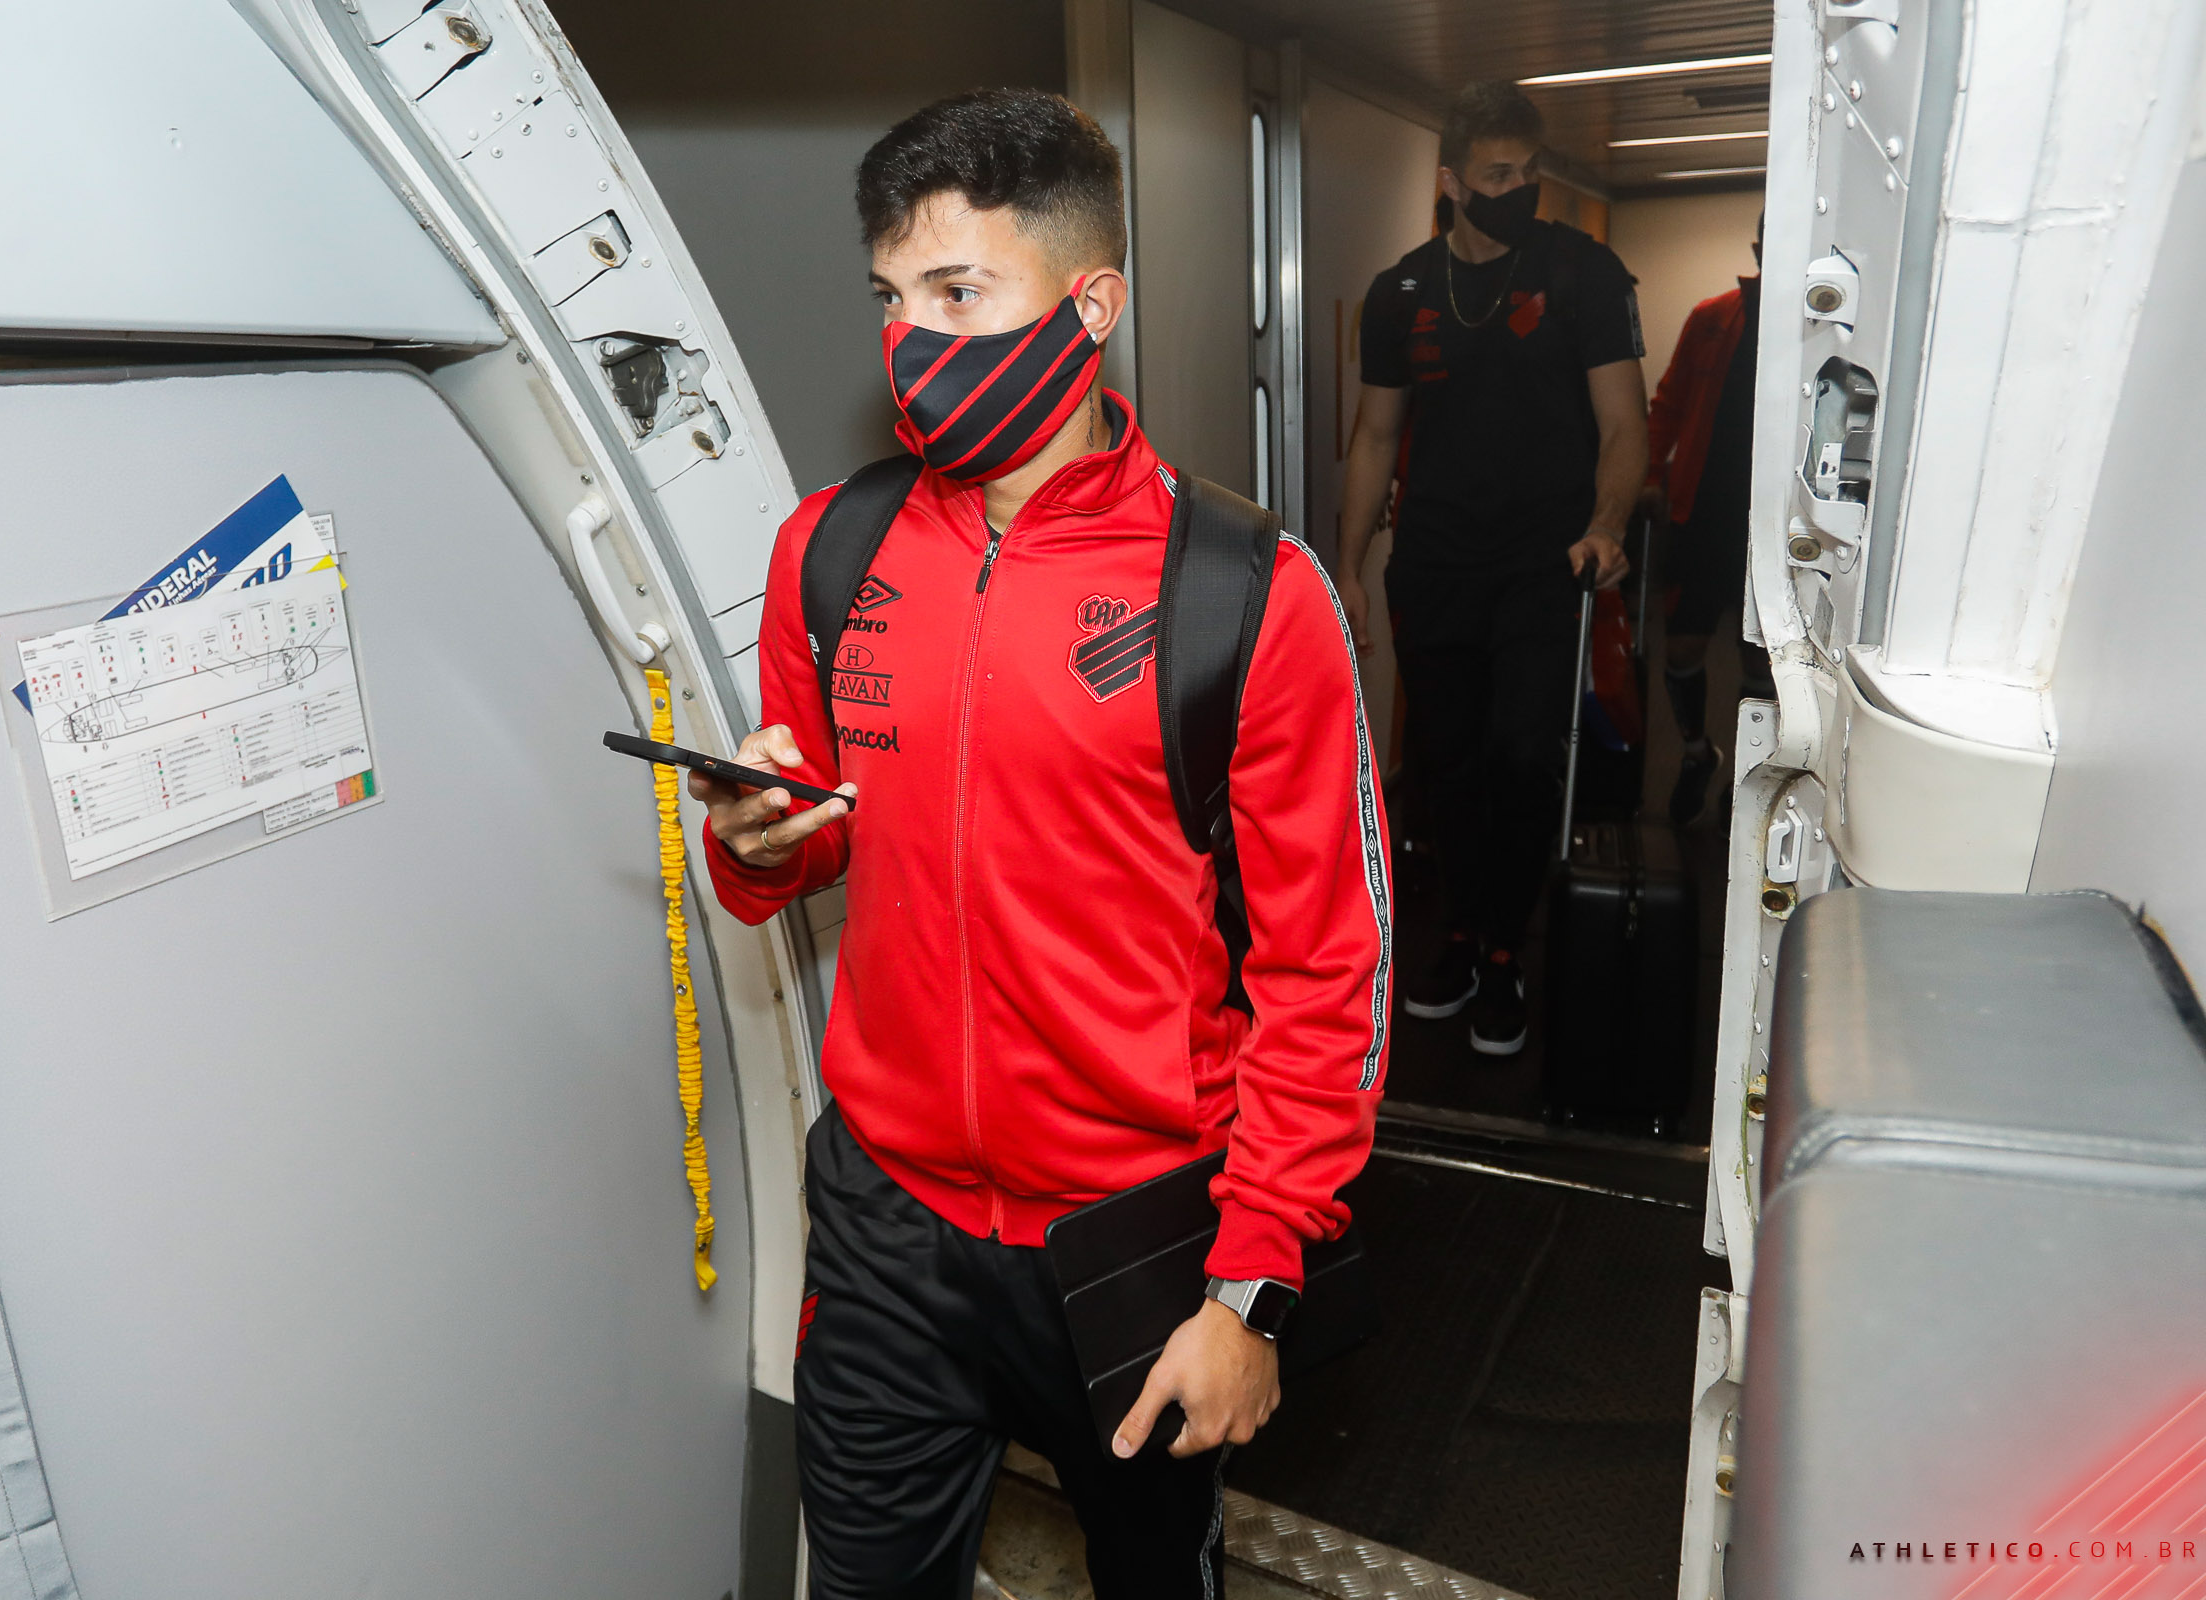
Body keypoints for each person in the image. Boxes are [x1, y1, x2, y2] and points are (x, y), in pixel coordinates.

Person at [692, 89, 1391, 1600]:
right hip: (886, 1223)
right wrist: (754, 839)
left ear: (1092, 305)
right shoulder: (828, 550)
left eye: (958, 293)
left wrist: (1251, 1290)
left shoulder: (1246, 591)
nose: (911, 341)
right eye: (890, 298)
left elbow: (1332, 970)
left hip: (1135, 1235)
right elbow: (802, 852)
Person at [1332, 80, 1648, 1058]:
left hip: (1544, 564)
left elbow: (1624, 425)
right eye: (1497, 174)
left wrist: (1606, 525)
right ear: (1452, 181)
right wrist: (1347, 565)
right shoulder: (1402, 293)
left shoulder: (1584, 274)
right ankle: (1465, 933)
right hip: (1435, 561)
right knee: (1448, 759)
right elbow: (1374, 436)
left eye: (1528, 172)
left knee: (1520, 753)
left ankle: (1507, 944)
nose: (1518, 190)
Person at [1642, 214, 1772, 827]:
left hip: (1770, 524)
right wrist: (1648, 474)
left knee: (1759, 661)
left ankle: (1751, 776)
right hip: (1703, 509)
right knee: (1683, 645)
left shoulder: (1823, 329)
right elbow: (1667, 402)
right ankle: (1697, 752)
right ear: (1758, 247)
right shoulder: (1712, 318)